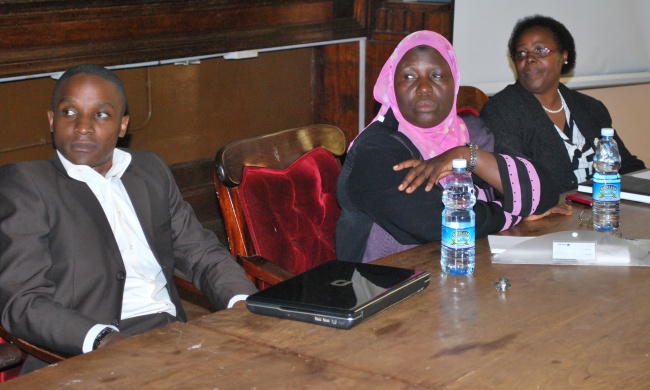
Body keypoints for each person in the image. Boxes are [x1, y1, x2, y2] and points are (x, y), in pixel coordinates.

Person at [0, 64, 257, 374]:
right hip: (84, 354)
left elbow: (201, 252)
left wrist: (243, 302)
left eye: (101, 114)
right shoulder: (28, 184)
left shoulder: (149, 169)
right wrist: (102, 339)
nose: (82, 127)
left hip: (175, 338)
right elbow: (22, 302)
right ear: (52, 121)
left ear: (123, 126)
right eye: (69, 113)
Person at [336, 30, 564, 263]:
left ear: (453, 81)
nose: (424, 87)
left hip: (466, 264)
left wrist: (465, 155)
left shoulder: (471, 132)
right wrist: (516, 211)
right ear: (392, 88)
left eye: (436, 75)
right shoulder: (375, 148)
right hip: (387, 284)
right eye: (408, 76)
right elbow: (433, 223)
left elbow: (544, 190)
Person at [481, 15, 645, 194]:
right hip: (551, 217)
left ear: (564, 55)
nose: (529, 58)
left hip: (604, 210)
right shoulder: (501, 110)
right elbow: (517, 182)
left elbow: (626, 165)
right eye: (521, 53)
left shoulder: (590, 107)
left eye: (540, 50)